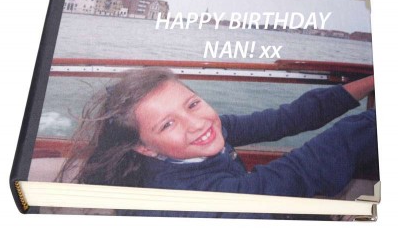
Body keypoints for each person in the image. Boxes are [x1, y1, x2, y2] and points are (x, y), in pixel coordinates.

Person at [57, 67, 378, 219]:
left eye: (192, 103)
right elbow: (296, 174)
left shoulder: (204, 132)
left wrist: (372, 83)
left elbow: (287, 119)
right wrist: (370, 123)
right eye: (168, 124)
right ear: (145, 148)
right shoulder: (181, 199)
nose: (197, 124)